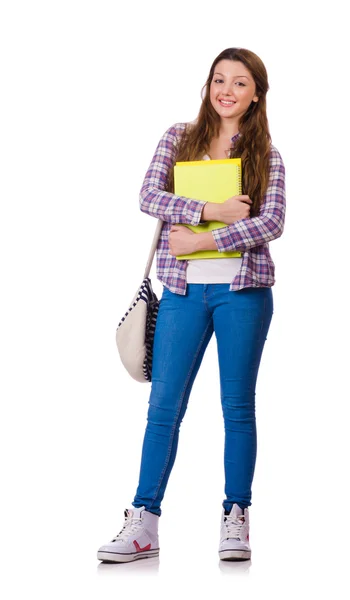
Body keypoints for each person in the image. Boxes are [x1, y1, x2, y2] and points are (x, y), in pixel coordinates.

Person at [97, 47, 286, 564]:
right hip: (182, 292)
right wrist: (211, 209)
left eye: (240, 83)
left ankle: (236, 517)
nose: (226, 90)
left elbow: (271, 224)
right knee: (162, 409)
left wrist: (203, 240)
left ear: (255, 95)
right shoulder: (178, 138)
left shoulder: (266, 154)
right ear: (207, 86)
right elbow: (148, 196)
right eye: (218, 79)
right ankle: (143, 523)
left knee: (237, 408)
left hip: (243, 293)